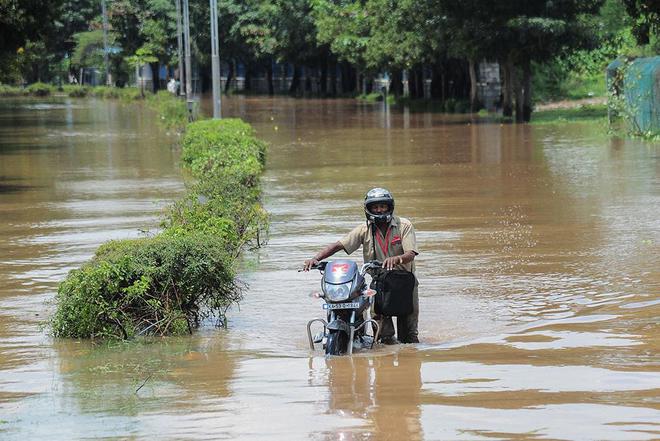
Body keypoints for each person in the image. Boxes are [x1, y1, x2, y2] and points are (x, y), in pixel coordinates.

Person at [303, 188, 419, 344]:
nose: (379, 210)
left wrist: (397, 259)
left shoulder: (404, 225)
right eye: (375, 207)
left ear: (389, 207)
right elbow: (339, 245)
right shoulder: (364, 229)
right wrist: (315, 259)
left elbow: (410, 253)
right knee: (382, 336)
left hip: (404, 282)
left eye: (383, 206)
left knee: (409, 337)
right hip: (379, 282)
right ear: (368, 209)